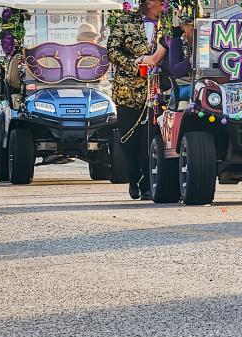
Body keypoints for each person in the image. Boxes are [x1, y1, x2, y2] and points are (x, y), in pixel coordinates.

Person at [107, 0, 164, 200]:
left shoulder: (167, 24)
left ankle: (149, 183)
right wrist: (133, 64)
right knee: (128, 139)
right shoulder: (125, 21)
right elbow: (112, 51)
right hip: (129, 91)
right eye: (161, 2)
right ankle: (133, 177)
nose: (164, 5)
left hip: (157, 92)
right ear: (150, 2)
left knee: (149, 139)